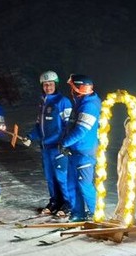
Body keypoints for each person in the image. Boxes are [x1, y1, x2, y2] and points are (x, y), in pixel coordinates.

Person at [28, 70, 72, 216]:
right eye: (45, 85)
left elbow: (69, 125)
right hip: (45, 147)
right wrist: (30, 136)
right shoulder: (43, 102)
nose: (48, 87)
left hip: (58, 147)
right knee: (50, 177)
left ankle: (67, 203)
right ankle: (55, 201)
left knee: (61, 177)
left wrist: (66, 143)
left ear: (56, 85)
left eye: (51, 84)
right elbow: (38, 125)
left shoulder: (62, 102)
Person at [59, 74, 102, 222]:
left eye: (72, 87)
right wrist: (65, 141)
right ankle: (78, 213)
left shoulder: (90, 105)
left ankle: (97, 213)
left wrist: (64, 143)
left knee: (84, 184)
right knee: (72, 184)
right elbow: (71, 126)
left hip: (85, 152)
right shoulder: (80, 102)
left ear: (78, 88)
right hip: (75, 151)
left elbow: (81, 130)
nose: (71, 90)